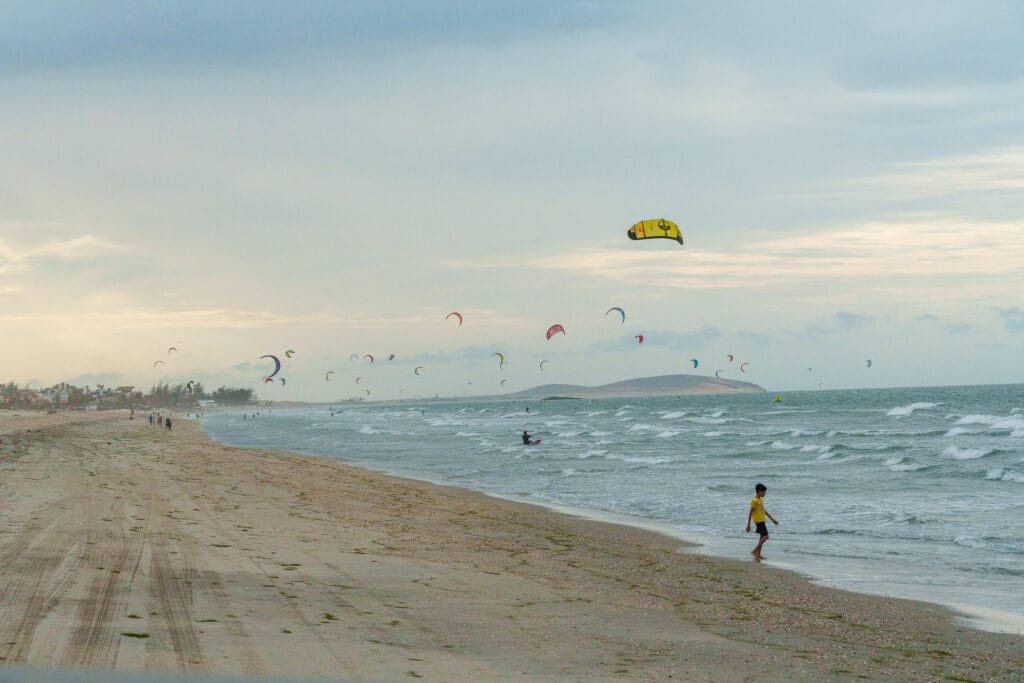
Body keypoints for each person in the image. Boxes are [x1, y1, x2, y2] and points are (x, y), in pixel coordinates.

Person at [746, 482, 778, 561]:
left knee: (761, 537)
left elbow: (764, 511)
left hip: (762, 520)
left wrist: (772, 519)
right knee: (766, 536)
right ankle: (754, 551)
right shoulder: (754, 501)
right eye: (764, 492)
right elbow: (750, 512)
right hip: (758, 521)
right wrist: (748, 525)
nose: (765, 493)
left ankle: (758, 554)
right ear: (759, 491)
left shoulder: (760, 500)